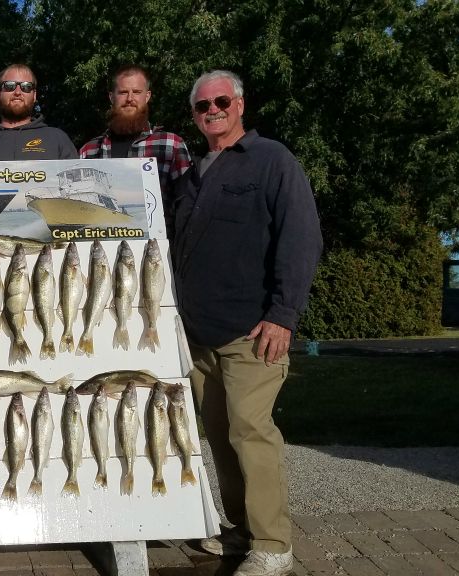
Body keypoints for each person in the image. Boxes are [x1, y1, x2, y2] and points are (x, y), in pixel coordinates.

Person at [172, 70, 322, 576]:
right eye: (201, 105)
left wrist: (283, 314)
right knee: (220, 434)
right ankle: (240, 530)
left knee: (251, 432)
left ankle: (274, 545)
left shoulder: (272, 160)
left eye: (221, 101)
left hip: (252, 331)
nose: (212, 110)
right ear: (194, 115)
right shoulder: (193, 174)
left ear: (239, 104)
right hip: (198, 336)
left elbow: (300, 239)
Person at [79, 64, 192, 237]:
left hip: (159, 252)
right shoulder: (89, 150)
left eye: (137, 92)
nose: (130, 98)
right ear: (112, 97)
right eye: (123, 92)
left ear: (147, 96)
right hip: (102, 253)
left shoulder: (171, 144)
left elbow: (188, 207)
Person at [0, 63, 77, 161]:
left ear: (34, 96)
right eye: (9, 86)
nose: (18, 92)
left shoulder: (57, 139)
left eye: (26, 87)